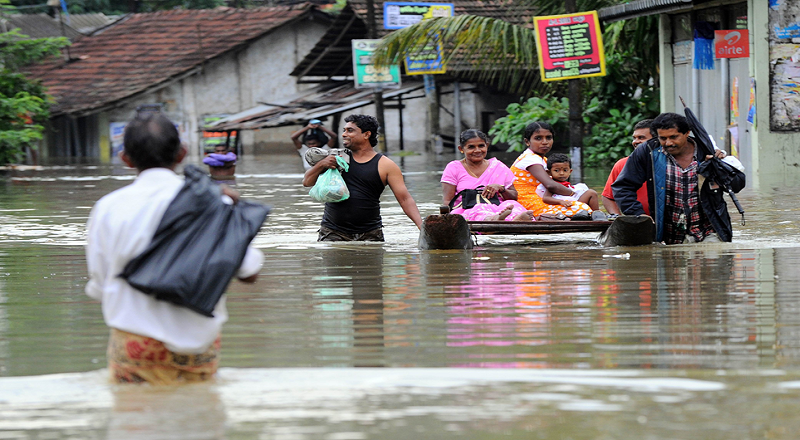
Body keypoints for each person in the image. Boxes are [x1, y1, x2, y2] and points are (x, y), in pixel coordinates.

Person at [85, 112, 263, 384]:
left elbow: (99, 283)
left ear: (125, 158)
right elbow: (249, 272)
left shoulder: (108, 208)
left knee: (133, 417)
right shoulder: (214, 202)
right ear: (182, 154)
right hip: (198, 345)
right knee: (200, 417)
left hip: (135, 342)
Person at [611, 112, 745, 244]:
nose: (668, 143)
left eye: (674, 137)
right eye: (662, 138)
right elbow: (623, 187)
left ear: (687, 133)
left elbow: (737, 185)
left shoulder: (707, 150)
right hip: (668, 236)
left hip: (709, 231)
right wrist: (638, 214)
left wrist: (718, 168)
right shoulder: (648, 152)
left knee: (714, 260)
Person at [303, 114, 422, 241]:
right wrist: (321, 164)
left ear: (366, 134)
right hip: (333, 232)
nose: (344, 134)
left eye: (350, 130)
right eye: (344, 130)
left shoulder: (386, 165)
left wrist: (422, 227)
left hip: (370, 234)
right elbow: (307, 182)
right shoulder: (336, 158)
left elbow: (405, 199)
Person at [509, 122, 597, 220]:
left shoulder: (543, 160)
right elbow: (550, 185)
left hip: (545, 198)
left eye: (548, 138)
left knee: (590, 195)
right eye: (538, 138)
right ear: (527, 142)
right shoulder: (529, 158)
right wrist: (574, 194)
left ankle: (597, 219)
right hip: (529, 201)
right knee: (582, 207)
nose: (545, 142)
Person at [441, 129, 533, 222]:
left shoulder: (498, 166)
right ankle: (493, 219)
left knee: (512, 204)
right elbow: (448, 202)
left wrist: (501, 188)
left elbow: (514, 197)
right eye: (471, 147)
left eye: (481, 146)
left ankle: (515, 220)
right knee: (478, 209)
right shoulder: (454, 167)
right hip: (466, 209)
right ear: (461, 149)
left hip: (498, 208)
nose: (477, 150)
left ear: (487, 146)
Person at [601, 119, 653, 216]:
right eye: (634, 138)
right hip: (637, 221)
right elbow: (608, 197)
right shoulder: (622, 164)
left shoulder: (670, 164)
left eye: (641, 137)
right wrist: (618, 217)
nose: (636, 142)